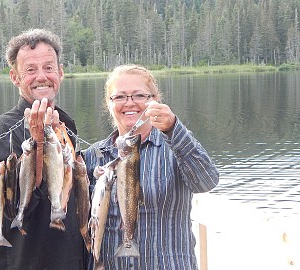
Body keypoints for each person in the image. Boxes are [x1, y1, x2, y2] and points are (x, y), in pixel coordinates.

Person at [82, 64, 219, 269]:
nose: (129, 103)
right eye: (120, 97)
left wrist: (173, 128)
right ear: (108, 104)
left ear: (154, 100)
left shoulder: (176, 144)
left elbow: (206, 181)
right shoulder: (93, 155)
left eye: (139, 95)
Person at [0, 28, 86, 269]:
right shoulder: (3, 129)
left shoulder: (66, 124)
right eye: (30, 70)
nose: (42, 76)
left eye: (49, 68)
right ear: (15, 77)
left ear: (60, 73)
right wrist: (38, 145)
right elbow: (7, 208)